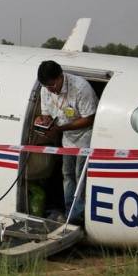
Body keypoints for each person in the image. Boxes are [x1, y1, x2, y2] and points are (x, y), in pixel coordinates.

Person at [36, 60, 98, 225]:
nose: (50, 90)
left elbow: (89, 118)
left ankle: (78, 216)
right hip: (67, 138)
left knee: (80, 176)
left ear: (60, 77)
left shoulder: (81, 88)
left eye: (52, 86)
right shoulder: (46, 89)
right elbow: (47, 113)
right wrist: (43, 121)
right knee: (67, 175)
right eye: (46, 87)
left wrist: (61, 128)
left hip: (85, 138)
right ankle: (70, 209)